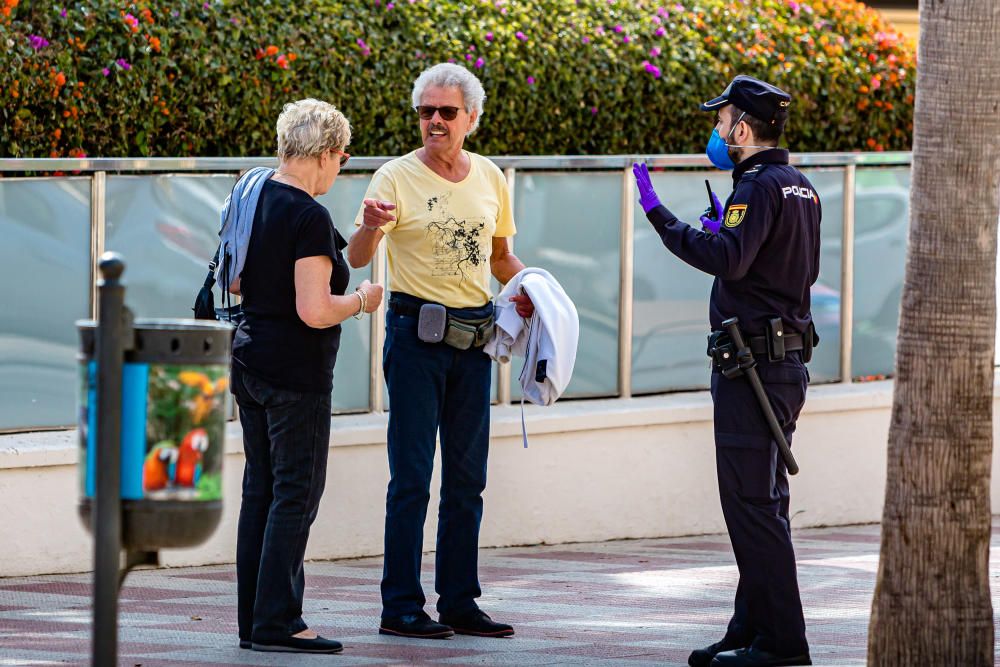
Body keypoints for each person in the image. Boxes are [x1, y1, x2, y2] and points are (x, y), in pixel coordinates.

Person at [632, 75, 820, 667]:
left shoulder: (758, 186)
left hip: (755, 367)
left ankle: (783, 646)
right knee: (765, 501)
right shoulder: (800, 186)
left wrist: (660, 215)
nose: (717, 130)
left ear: (742, 127)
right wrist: (728, 230)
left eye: (722, 121)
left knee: (750, 504)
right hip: (782, 362)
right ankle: (749, 630)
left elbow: (727, 260)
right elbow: (769, 263)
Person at [347, 63, 533, 640]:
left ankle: (459, 601)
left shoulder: (490, 178)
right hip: (415, 339)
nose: (434, 120)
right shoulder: (393, 178)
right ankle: (400, 606)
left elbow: (501, 258)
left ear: (471, 118)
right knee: (411, 478)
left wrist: (535, 291)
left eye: (446, 112)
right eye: (426, 111)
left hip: (474, 342)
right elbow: (356, 257)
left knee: (467, 479)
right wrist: (371, 228)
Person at [230, 98, 383, 654]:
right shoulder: (308, 216)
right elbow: (315, 310)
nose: (340, 168)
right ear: (323, 153)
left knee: (261, 491)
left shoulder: (251, 196)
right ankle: (280, 621)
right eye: (342, 157)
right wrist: (363, 300)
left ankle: (255, 621)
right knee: (296, 493)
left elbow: (238, 284)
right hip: (296, 373)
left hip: (248, 362)